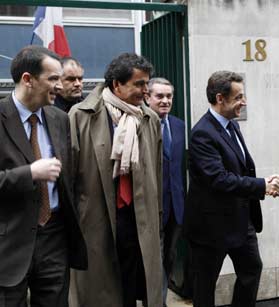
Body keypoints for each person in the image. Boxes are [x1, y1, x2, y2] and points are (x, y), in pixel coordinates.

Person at [184, 70, 279, 307]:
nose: (244, 101)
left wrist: (261, 184)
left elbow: (240, 169)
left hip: (241, 221)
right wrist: (262, 186)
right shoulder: (202, 133)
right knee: (205, 287)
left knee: (251, 270)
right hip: (210, 228)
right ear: (220, 98)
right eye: (239, 97)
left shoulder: (231, 125)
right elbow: (219, 179)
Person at [68, 53, 163, 307]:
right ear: (116, 84)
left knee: (133, 285)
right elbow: (70, 177)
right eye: (139, 84)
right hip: (98, 218)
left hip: (138, 218)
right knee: (103, 290)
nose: (146, 91)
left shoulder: (149, 118)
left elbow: (157, 172)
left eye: (147, 83)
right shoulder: (81, 115)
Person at [0, 45, 87, 307]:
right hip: (9, 242)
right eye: (53, 79)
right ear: (28, 79)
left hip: (55, 238)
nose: (60, 86)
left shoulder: (59, 118)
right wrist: (29, 173)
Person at [146, 77, 186, 307]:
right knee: (153, 261)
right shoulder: (138, 125)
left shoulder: (179, 126)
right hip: (151, 207)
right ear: (147, 97)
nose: (165, 101)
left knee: (169, 258)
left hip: (176, 208)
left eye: (169, 96)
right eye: (159, 96)